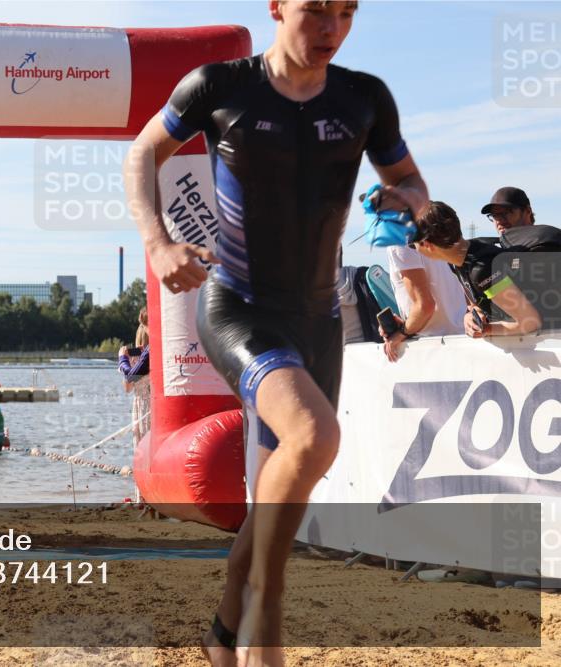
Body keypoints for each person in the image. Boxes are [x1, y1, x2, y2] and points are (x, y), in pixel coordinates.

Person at [123, 2, 429, 664]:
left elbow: (408, 182)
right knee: (315, 438)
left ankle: (221, 635)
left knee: (274, 518)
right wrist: (157, 241)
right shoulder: (219, 86)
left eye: (345, 14)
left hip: (318, 320)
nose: (330, 29)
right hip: (241, 310)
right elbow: (143, 151)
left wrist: (414, 210)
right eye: (316, 10)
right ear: (277, 8)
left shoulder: (364, 98)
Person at [412, 201, 542, 338]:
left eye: (412, 244)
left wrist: (487, 330)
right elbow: (479, 301)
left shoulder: (482, 269)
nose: (414, 249)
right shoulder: (458, 260)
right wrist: (471, 315)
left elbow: (530, 322)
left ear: (428, 245)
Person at [380, 245, 466, 361]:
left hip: (433, 348)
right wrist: (407, 324)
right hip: (461, 338)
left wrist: (401, 333)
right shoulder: (429, 236)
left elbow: (424, 306)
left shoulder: (399, 244)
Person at [118, 344, 151, 445]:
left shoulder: (136, 361)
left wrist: (123, 359)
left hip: (141, 404)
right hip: (155, 401)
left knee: (142, 440)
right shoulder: (156, 352)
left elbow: (127, 388)